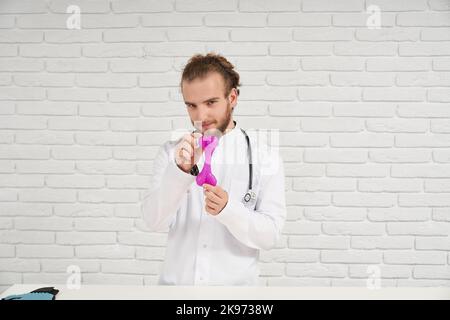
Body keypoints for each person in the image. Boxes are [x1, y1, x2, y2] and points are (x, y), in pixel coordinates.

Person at [141, 53, 286, 286]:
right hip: (176, 297)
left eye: (210, 103)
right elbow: (153, 221)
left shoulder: (264, 157)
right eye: (191, 105)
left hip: (235, 301)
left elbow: (270, 236)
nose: (201, 116)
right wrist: (179, 172)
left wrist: (229, 210)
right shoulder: (172, 153)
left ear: (232, 97)